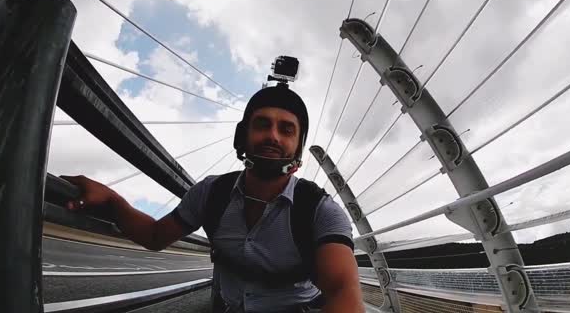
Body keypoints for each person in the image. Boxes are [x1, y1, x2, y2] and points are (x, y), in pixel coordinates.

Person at [62, 84, 364, 313]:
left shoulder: (320, 211)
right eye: (262, 124)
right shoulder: (211, 194)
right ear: (242, 136)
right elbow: (155, 236)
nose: (273, 136)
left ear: (297, 150)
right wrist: (114, 200)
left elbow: (341, 290)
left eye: (286, 129)